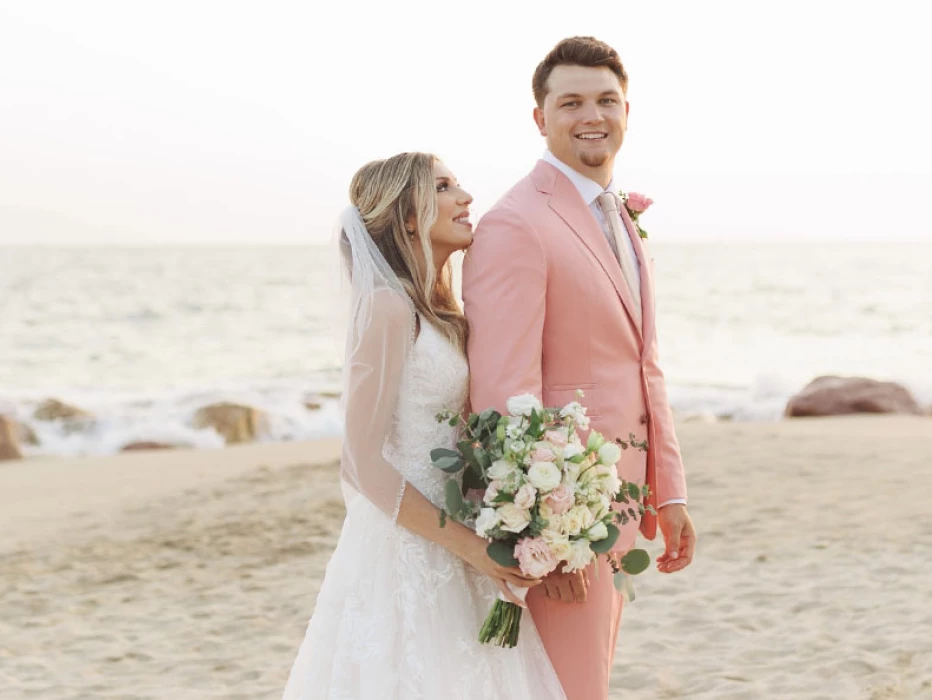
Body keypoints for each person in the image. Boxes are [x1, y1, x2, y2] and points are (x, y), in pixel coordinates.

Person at [462, 36, 697, 699]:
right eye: (571, 103)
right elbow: (504, 391)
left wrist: (668, 490)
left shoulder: (618, 213)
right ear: (540, 118)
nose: (591, 115)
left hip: (621, 504)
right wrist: (543, 539)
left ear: (627, 110)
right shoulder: (516, 224)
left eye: (605, 100)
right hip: (568, 520)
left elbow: (645, 367)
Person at [282, 152, 566, 699]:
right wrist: (469, 546)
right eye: (443, 187)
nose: (465, 197)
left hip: (458, 535)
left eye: (458, 184)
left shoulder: (438, 309)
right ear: (409, 216)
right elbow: (360, 461)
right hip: (405, 546)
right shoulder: (388, 308)